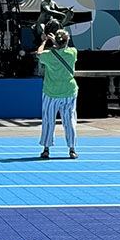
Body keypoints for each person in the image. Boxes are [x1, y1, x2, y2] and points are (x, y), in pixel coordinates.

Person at [36, 29, 78, 159]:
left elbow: (38, 54)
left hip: (51, 92)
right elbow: (64, 47)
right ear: (67, 41)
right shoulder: (72, 53)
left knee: (49, 121)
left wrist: (44, 41)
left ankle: (46, 149)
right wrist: (57, 41)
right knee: (69, 121)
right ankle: (72, 149)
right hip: (69, 91)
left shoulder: (49, 55)